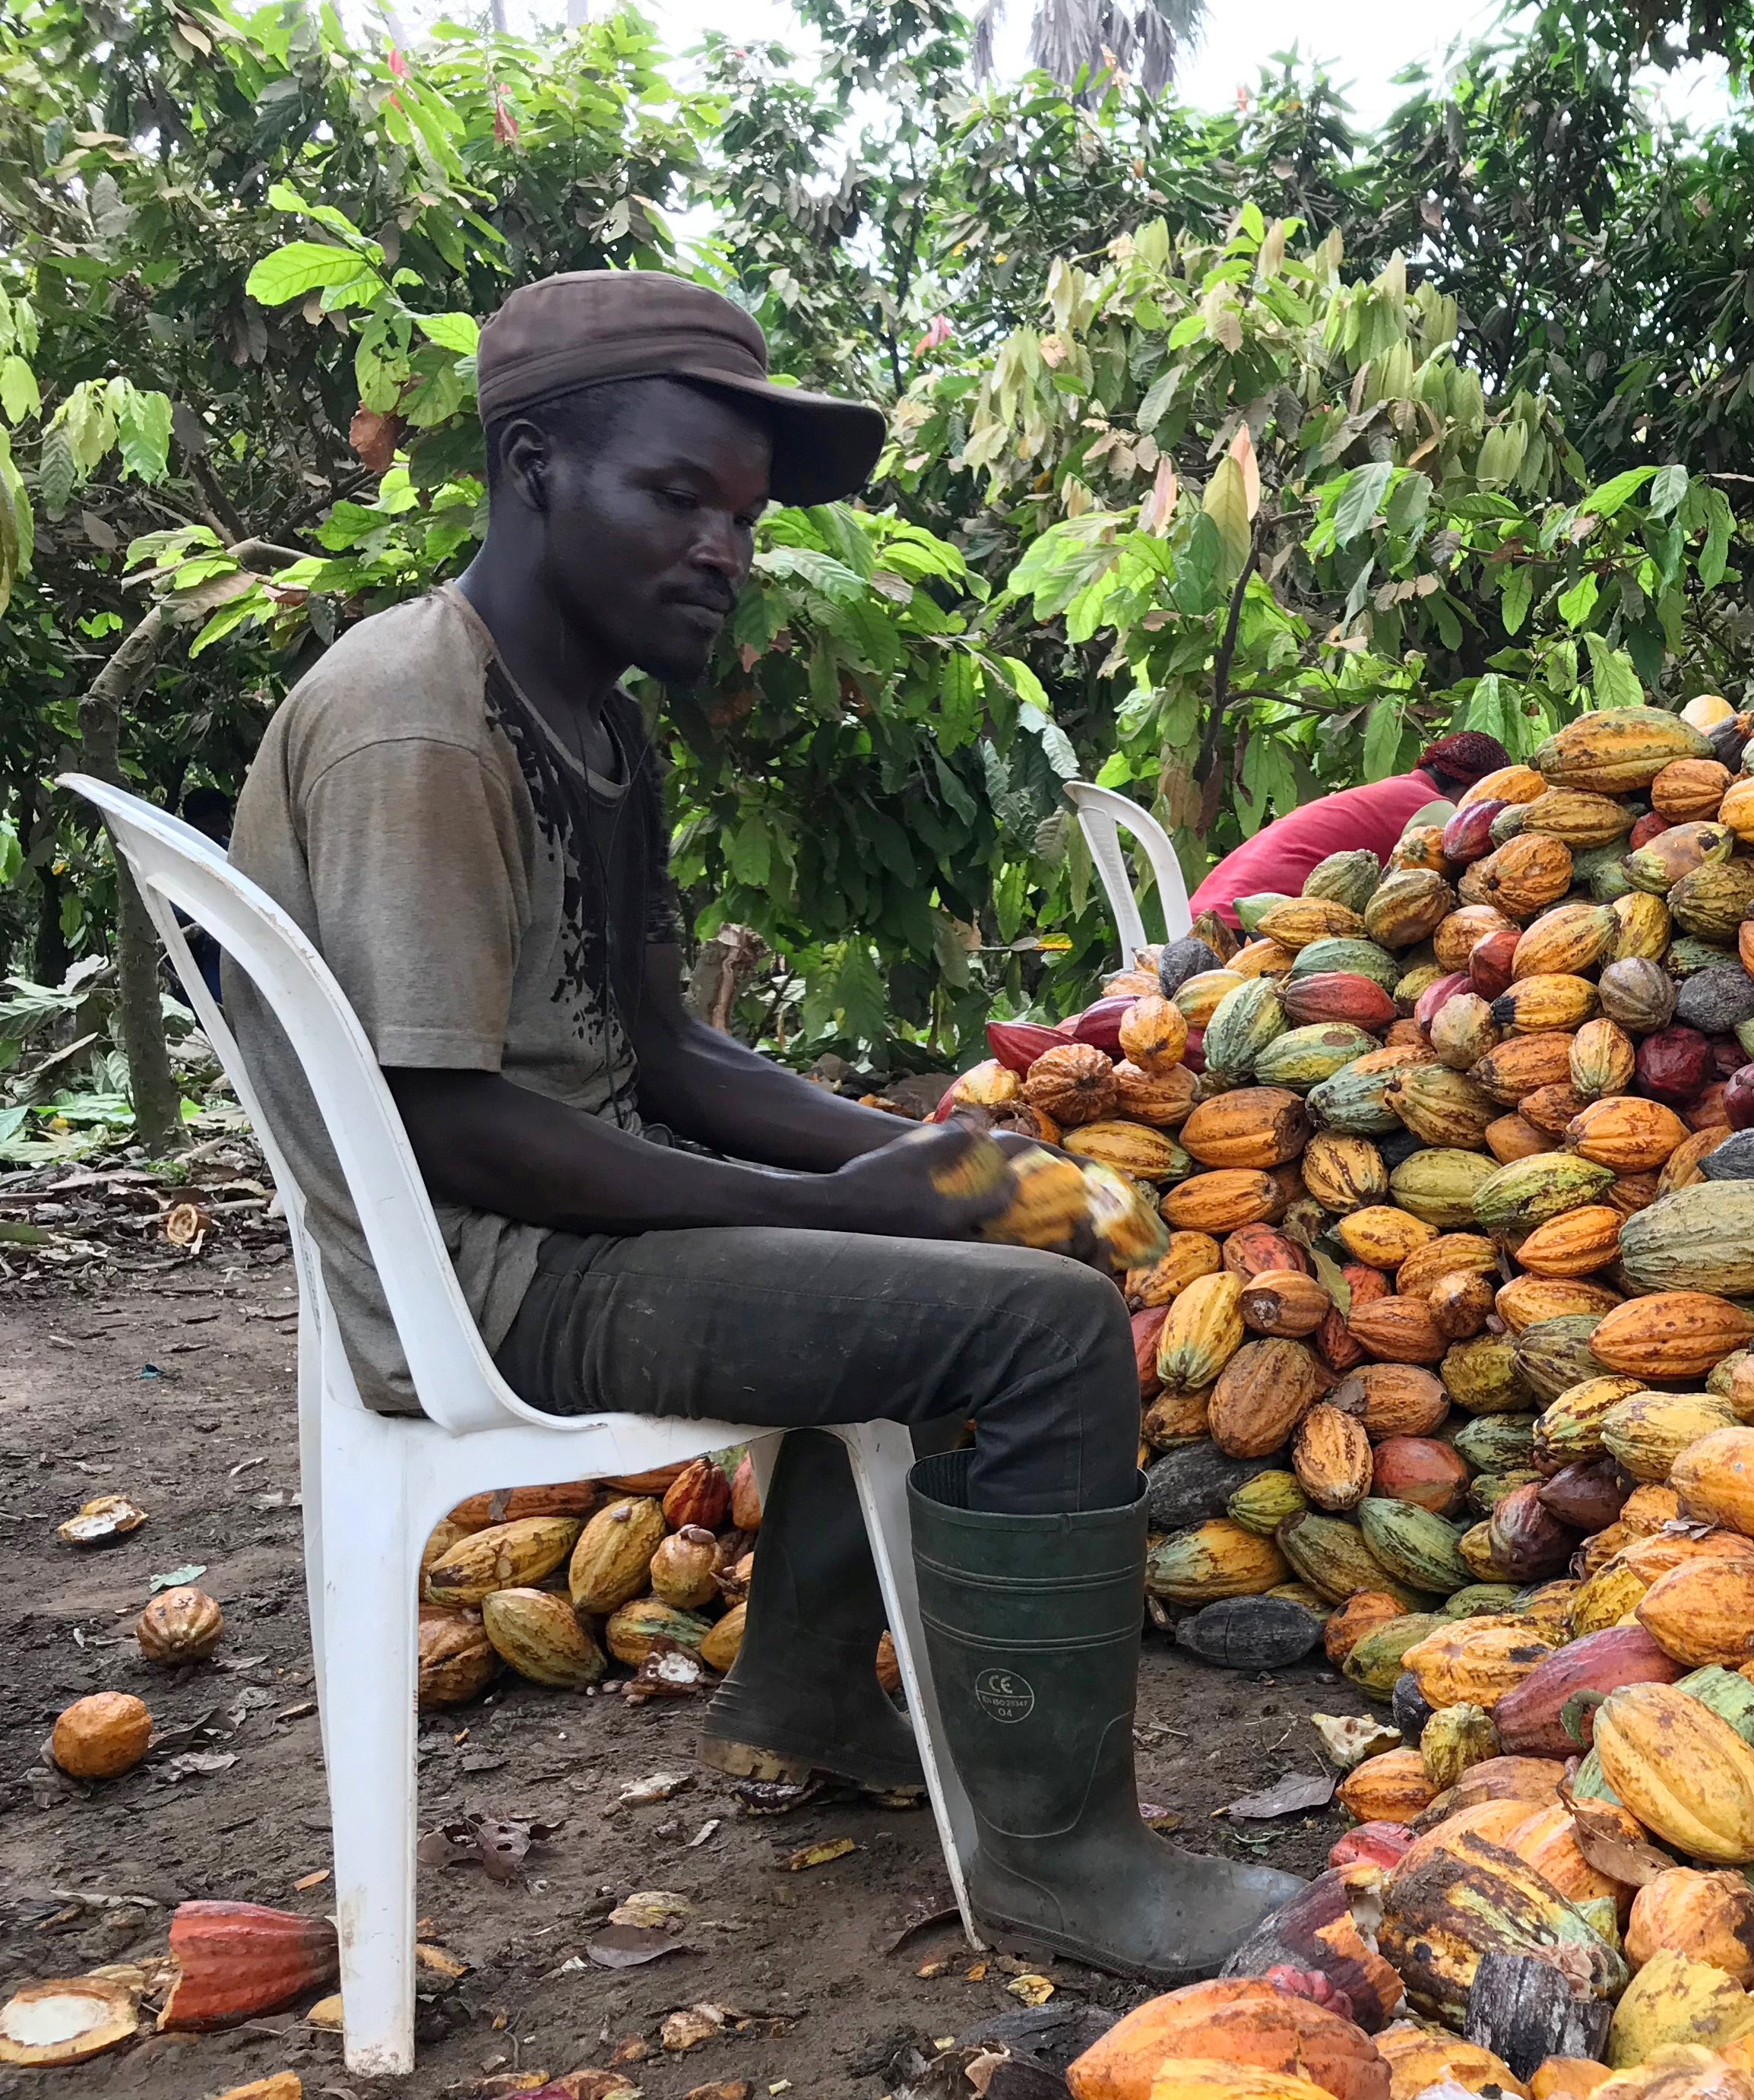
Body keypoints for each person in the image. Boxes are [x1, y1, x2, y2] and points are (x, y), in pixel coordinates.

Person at [220, 270, 1296, 1981]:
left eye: (741, 514)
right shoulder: (421, 716)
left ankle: (800, 1684)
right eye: (677, 496)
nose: (724, 547)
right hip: (494, 1272)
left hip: (572, 1221)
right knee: (1046, 1327)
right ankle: (1065, 1857)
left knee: (962, 1205)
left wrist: (903, 1152)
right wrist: (871, 1205)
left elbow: (660, 1048)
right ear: (531, 468)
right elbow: (447, 1125)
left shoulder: (597, 722)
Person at [1185, 730, 1512, 920]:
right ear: (1473, 789)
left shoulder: (1394, 791)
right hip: (1244, 923)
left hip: (1200, 913)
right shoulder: (1436, 809)